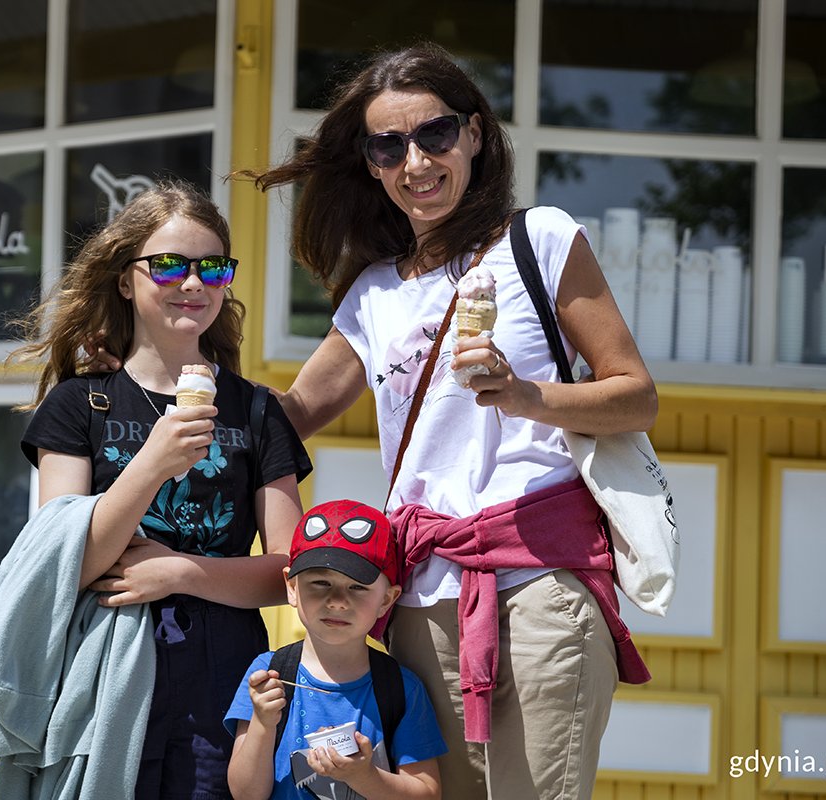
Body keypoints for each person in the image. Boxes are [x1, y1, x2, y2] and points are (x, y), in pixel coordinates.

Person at [245, 44, 658, 798]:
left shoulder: (542, 241)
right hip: (417, 603)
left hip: (541, 584)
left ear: (472, 134)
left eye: (434, 134)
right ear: (370, 163)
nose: (416, 162)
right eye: (388, 145)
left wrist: (528, 397)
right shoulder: (373, 293)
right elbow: (292, 414)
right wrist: (173, 372)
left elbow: (635, 394)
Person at [9, 180, 312, 799]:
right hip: (105, 661)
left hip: (222, 673)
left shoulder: (256, 411)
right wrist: (153, 460)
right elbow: (66, 562)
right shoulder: (78, 406)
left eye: (213, 267)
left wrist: (176, 572)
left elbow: (289, 573)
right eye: (169, 264)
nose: (193, 283)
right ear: (126, 279)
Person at [225, 499, 446, 800]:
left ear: (387, 599)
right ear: (291, 587)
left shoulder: (402, 688)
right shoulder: (268, 674)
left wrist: (364, 777)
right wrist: (263, 725)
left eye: (357, 587)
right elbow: (245, 793)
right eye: (320, 582)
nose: (338, 601)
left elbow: (427, 793)